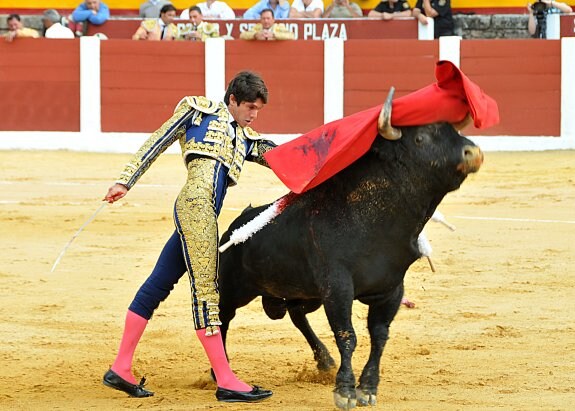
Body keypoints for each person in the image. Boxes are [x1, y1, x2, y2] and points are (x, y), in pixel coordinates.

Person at [102, 71, 276, 403]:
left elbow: (286, 157)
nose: (254, 115)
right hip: (197, 207)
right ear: (233, 100)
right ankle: (225, 379)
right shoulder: (200, 110)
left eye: (258, 110)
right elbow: (159, 138)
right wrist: (125, 181)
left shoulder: (246, 138)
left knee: (158, 282)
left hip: (202, 212)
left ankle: (120, 367)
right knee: (208, 290)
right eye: (250, 107)